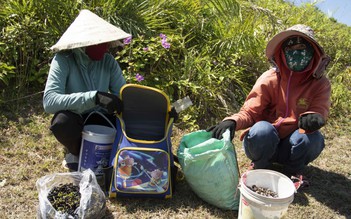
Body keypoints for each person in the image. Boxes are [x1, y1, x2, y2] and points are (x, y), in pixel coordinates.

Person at [207, 24, 331, 185]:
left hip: (292, 146)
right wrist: (232, 121)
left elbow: (320, 109)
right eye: (290, 48)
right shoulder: (269, 78)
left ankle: (293, 170)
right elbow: (250, 112)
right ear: (282, 52)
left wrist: (315, 118)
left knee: (313, 138)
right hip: (263, 143)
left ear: (312, 50)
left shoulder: (320, 83)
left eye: (301, 47)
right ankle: (259, 166)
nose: (296, 52)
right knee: (261, 130)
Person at [43, 9, 131, 171]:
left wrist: (155, 110)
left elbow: (124, 95)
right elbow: (49, 101)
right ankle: (76, 151)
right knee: (62, 123)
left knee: (129, 121)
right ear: (85, 43)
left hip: (102, 120)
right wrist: (94, 97)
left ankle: (107, 151)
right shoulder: (64, 60)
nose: (105, 48)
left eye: (106, 43)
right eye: (100, 43)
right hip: (77, 119)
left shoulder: (108, 61)